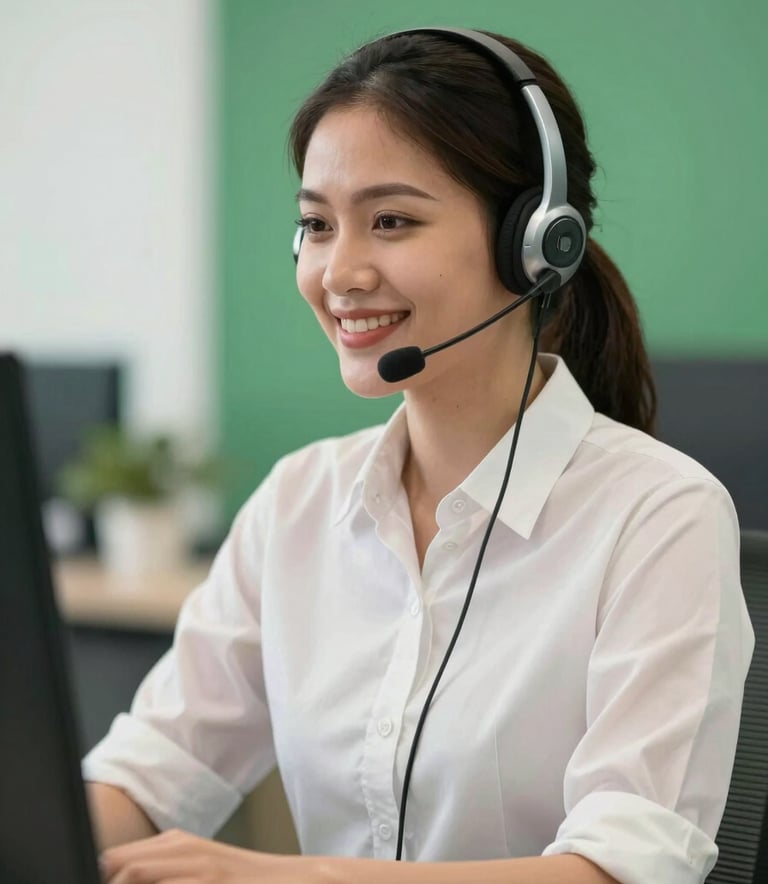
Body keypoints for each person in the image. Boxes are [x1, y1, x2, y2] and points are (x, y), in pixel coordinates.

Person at [84, 28, 754, 884]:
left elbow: (621, 869)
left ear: (536, 242)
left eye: (391, 221)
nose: (341, 271)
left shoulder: (659, 516)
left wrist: (275, 877)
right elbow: (152, 771)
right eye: (317, 225)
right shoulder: (299, 501)